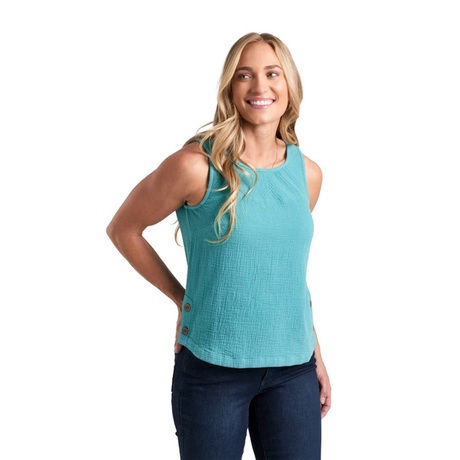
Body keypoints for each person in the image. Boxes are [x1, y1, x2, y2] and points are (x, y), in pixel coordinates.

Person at [107, 31, 331, 460]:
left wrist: (316, 352)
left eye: (272, 73)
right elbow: (124, 229)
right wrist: (182, 299)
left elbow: (285, 274)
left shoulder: (308, 174)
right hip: (213, 371)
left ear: (290, 84)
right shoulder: (195, 166)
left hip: (293, 370)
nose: (260, 86)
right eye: (245, 75)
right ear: (230, 87)